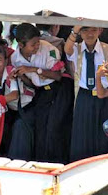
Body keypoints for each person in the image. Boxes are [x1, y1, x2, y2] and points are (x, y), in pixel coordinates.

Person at [10, 23, 73, 164]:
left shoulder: (49, 49)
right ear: (21, 45)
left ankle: (59, 162)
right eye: (33, 44)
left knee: (54, 127)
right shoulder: (15, 58)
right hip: (42, 92)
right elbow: (32, 84)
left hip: (60, 89)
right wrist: (20, 76)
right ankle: (41, 162)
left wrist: (33, 69)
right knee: (41, 128)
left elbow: (57, 76)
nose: (37, 46)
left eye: (38, 42)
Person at [65, 23, 108, 162]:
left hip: (104, 96)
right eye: (85, 30)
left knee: (102, 134)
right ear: (80, 33)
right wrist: (75, 29)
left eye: (93, 30)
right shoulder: (77, 49)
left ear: (100, 30)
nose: (89, 34)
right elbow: (67, 49)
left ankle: (101, 163)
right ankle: (79, 163)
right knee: (82, 132)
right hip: (84, 95)